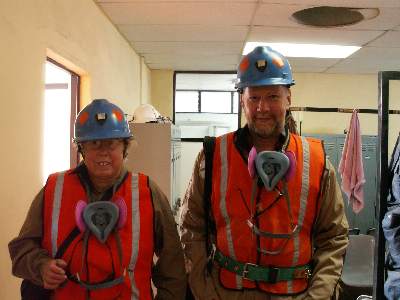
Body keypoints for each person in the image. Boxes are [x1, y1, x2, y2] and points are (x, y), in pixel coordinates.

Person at [179, 46, 349, 300]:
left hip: (298, 295)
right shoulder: (212, 157)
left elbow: (333, 238)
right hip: (225, 293)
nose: (263, 108)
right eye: (254, 98)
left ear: (288, 98)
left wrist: (318, 296)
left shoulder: (317, 162)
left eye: (273, 96)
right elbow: (191, 229)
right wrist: (205, 291)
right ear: (242, 100)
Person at [9, 99, 186, 299]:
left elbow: (174, 265)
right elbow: (21, 249)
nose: (103, 151)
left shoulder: (147, 191)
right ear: (81, 148)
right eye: (94, 143)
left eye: (111, 143)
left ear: (125, 147)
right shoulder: (54, 188)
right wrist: (41, 266)